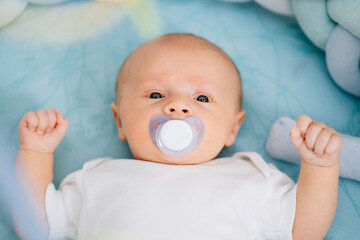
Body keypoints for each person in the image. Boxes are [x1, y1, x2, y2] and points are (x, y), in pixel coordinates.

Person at [13, 33, 342, 240]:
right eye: (155, 94)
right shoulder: (97, 178)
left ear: (233, 128)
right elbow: (36, 226)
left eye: (202, 98)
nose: (177, 107)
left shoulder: (250, 176)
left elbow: (302, 229)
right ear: (120, 120)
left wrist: (320, 166)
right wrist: (37, 153)